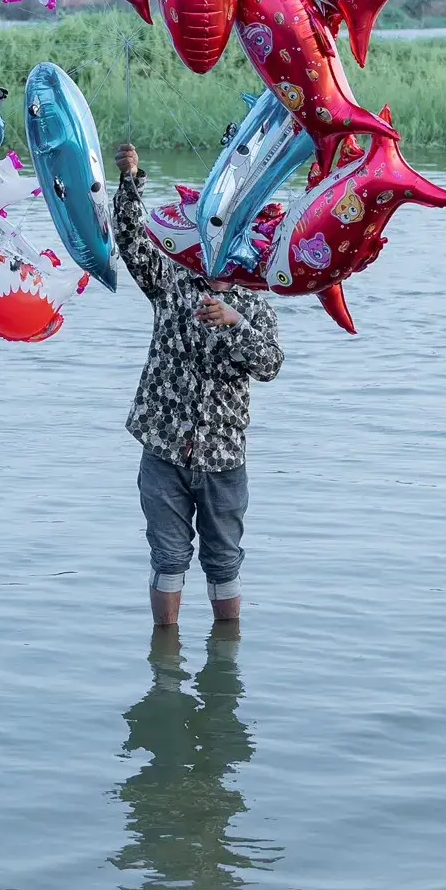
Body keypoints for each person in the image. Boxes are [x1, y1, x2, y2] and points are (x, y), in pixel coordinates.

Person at [113, 143, 284, 626]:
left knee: (224, 562)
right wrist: (131, 179)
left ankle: (223, 674)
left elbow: (271, 364)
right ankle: (165, 673)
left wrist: (234, 322)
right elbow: (132, 241)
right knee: (167, 560)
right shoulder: (171, 281)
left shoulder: (254, 302)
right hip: (164, 449)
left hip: (223, 456)